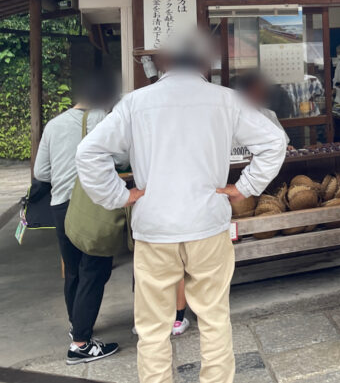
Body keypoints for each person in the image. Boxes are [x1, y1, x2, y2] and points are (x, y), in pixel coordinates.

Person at [76, 30, 287, 383]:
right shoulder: (225, 99)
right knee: (214, 319)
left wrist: (119, 195)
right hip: (208, 223)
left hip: (155, 227)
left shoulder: (135, 102)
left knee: (153, 327)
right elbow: (274, 142)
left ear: (164, 61)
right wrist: (244, 187)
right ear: (204, 61)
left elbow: (88, 152)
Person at [34, 70, 121, 365]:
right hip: (91, 205)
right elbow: (121, 159)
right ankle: (81, 345)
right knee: (94, 271)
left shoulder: (53, 125)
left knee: (73, 271)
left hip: (60, 207)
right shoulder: (102, 120)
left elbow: (41, 173)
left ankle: (77, 327)